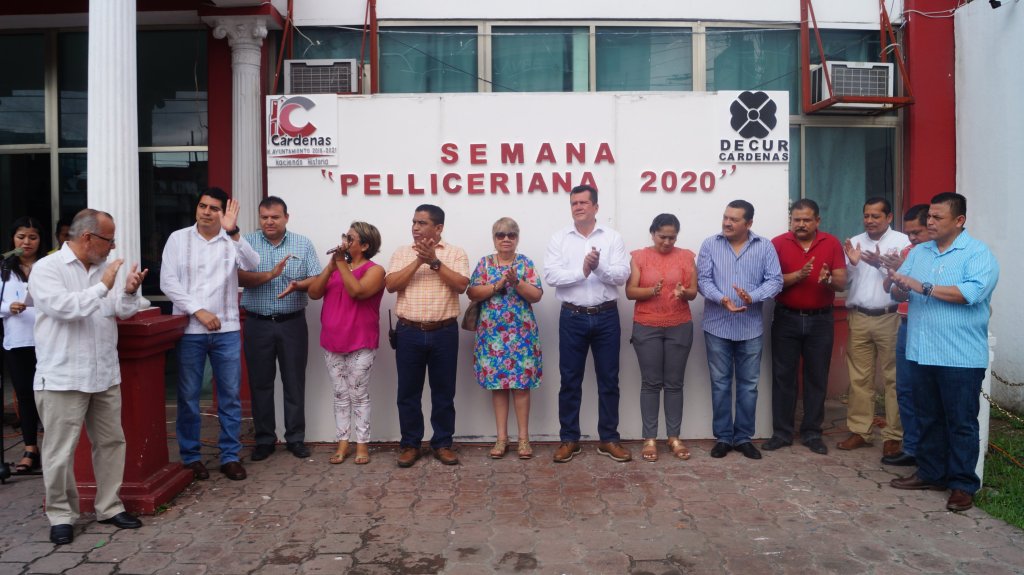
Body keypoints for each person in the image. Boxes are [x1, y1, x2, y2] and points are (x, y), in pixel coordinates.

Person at [29, 209, 150, 545]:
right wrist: (104, 286)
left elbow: (121, 311)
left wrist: (128, 292)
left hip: (104, 372)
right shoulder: (47, 268)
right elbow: (66, 309)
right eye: (108, 239)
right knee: (59, 451)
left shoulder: (104, 269)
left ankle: (109, 507)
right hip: (62, 375)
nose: (113, 246)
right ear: (87, 237)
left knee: (111, 442)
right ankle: (61, 515)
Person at [888, 192, 999, 512]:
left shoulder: (978, 253)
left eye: (937, 217)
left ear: (959, 220)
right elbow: (899, 292)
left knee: (961, 421)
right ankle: (931, 473)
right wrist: (898, 285)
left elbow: (971, 293)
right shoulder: (920, 252)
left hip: (959, 355)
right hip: (921, 351)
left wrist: (922, 286)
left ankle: (962, 484)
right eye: (929, 217)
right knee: (927, 417)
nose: (930, 222)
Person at [161, 188, 259, 481]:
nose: (206, 212)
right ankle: (191, 457)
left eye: (214, 208)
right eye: (202, 206)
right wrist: (198, 310)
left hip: (227, 329)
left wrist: (235, 232)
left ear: (223, 213)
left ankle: (230, 456)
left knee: (229, 397)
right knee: (189, 396)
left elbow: (253, 264)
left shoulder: (230, 241)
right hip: (190, 329)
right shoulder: (178, 239)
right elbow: (168, 282)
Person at [544, 184, 632, 463]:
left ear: (596, 207)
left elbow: (622, 275)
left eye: (583, 202)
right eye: (574, 203)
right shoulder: (559, 238)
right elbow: (551, 276)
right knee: (570, 380)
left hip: (606, 316)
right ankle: (569, 439)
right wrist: (582, 271)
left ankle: (609, 439)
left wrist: (598, 268)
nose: (578, 207)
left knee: (609, 380)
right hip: (572, 317)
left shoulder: (612, 237)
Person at [238, 196, 322, 461]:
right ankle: (264, 439)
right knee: (260, 383)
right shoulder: (247, 244)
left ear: (286, 217)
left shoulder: (302, 244)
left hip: (292, 323)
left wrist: (298, 285)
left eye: (275, 217)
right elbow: (238, 277)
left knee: (294, 382)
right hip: (257, 323)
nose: (269, 222)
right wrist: (270, 275)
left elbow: (317, 278)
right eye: (264, 217)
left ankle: (295, 438)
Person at [697, 200, 782, 460]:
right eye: (725, 217)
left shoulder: (764, 246)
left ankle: (743, 438)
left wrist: (752, 297)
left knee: (748, 386)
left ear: (749, 223)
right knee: (720, 384)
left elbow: (775, 280)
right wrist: (722, 299)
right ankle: (723, 438)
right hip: (717, 325)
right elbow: (703, 280)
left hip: (750, 327)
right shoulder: (710, 244)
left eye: (734, 219)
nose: (727, 223)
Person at [385, 204, 469, 467]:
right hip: (409, 331)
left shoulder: (455, 253)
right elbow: (391, 285)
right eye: (414, 222)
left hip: (444, 332)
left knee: (443, 392)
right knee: (408, 392)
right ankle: (410, 445)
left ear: (439, 227)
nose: (415, 227)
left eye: (422, 223)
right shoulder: (402, 252)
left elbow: (461, 285)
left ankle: (442, 443)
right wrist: (418, 261)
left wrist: (434, 261)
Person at [764, 199, 847, 455]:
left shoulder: (831, 243)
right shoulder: (777, 243)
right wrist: (797, 276)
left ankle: (812, 433)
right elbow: (769, 282)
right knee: (783, 377)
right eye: (796, 219)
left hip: (820, 320)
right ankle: (782, 433)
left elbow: (842, 282)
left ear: (817, 221)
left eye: (806, 220)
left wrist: (828, 280)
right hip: (786, 318)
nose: (800, 224)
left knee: (816, 377)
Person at [307, 222, 385, 465]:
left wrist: (340, 263)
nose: (344, 242)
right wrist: (331, 266)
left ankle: (362, 444)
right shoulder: (337, 266)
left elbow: (357, 292)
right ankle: (343, 441)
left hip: (361, 341)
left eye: (350, 238)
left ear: (365, 245)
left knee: (358, 394)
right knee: (340, 394)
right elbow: (314, 293)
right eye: (345, 236)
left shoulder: (375, 270)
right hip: (332, 341)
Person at [467, 217, 543, 460]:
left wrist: (516, 282)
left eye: (511, 234)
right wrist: (496, 285)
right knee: (498, 387)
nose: (506, 239)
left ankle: (523, 439)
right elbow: (472, 292)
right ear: (494, 239)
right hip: (492, 337)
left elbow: (536, 295)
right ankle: (501, 438)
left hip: (521, 335)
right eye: (501, 235)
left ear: (517, 238)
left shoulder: (525, 263)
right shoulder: (485, 264)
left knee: (521, 386)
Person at [838, 197, 910, 456]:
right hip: (859, 316)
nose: (869, 220)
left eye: (876, 216)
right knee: (859, 378)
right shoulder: (855, 241)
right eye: (866, 215)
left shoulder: (903, 242)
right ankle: (860, 430)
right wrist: (852, 264)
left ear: (889, 217)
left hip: (890, 317)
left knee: (894, 378)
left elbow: (905, 282)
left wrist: (879, 264)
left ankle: (894, 435)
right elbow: (846, 281)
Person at [625, 213, 698, 462]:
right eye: (662, 237)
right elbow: (630, 291)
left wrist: (684, 292)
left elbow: (694, 292)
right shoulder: (639, 256)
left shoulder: (686, 256)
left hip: (680, 324)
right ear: (652, 233)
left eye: (672, 237)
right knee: (651, 383)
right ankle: (649, 438)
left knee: (675, 383)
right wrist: (651, 291)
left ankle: (674, 437)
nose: (667, 242)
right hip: (647, 325)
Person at [879, 204, 930, 467]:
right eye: (908, 233)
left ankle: (931, 452)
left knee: (929, 392)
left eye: (917, 232)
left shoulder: (940, 255)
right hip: (906, 324)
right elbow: (893, 291)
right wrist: (895, 274)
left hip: (932, 327)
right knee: (905, 389)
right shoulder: (908, 252)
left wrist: (907, 271)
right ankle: (911, 447)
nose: (911, 238)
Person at [1, 217, 46, 474]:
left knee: (49, 395)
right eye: (21, 237)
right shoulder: (4, 268)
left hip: (47, 340)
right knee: (26, 395)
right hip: (17, 341)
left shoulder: (47, 266)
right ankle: (30, 449)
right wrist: (9, 307)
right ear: (12, 239)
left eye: (32, 237)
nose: (26, 242)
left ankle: (54, 449)